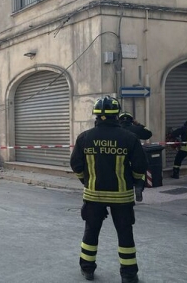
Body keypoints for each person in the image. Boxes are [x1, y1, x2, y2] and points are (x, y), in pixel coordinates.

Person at [70, 96, 148, 283]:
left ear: (96, 115)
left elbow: (76, 165)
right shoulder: (130, 137)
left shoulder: (85, 137)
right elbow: (139, 167)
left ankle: (87, 269)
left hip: (93, 195)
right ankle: (128, 275)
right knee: (125, 234)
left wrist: (86, 181)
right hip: (122, 197)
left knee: (91, 231)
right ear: (117, 115)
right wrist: (136, 182)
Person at [119, 111, 152, 201]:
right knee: (140, 170)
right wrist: (138, 124)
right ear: (131, 120)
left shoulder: (116, 129)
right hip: (135, 155)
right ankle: (138, 186)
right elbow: (148, 133)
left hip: (119, 156)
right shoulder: (136, 129)